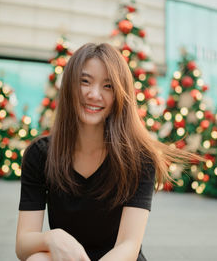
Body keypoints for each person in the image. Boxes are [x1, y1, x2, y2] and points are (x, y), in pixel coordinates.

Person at [16, 43, 197, 261]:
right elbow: (23, 244)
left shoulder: (139, 158)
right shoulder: (41, 154)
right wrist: (51, 238)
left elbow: (129, 246)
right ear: (70, 86)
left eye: (108, 86)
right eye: (85, 81)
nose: (94, 94)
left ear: (120, 95)